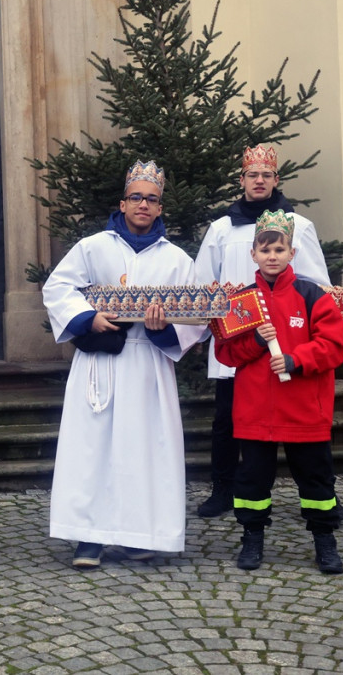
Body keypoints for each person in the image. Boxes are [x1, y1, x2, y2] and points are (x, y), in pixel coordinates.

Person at [42, 160, 206, 569]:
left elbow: (198, 316)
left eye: (152, 200)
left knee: (144, 448)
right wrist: (88, 318)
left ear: (160, 207)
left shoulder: (177, 259)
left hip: (148, 361)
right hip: (102, 361)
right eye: (137, 197)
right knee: (91, 447)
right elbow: (58, 287)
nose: (144, 205)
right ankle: (88, 538)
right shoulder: (94, 247)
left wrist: (163, 327)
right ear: (123, 202)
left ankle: (138, 534)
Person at [195, 145, 331, 517]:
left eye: (266, 175)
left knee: (299, 420)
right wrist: (204, 330)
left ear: (276, 180)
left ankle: (321, 497)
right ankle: (223, 489)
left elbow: (316, 282)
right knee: (226, 420)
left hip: (287, 340)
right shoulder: (222, 228)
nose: (259, 181)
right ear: (242, 181)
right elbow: (203, 284)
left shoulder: (299, 226)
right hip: (237, 340)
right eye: (252, 175)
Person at [213, 210, 343, 574]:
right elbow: (226, 353)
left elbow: (334, 347)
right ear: (253, 254)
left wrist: (294, 359)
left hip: (305, 409)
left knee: (316, 480)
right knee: (252, 480)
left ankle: (325, 540)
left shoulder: (313, 296)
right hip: (255, 410)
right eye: (265, 249)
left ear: (292, 253)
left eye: (279, 248)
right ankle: (252, 539)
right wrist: (256, 341)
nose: (272, 255)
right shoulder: (242, 301)